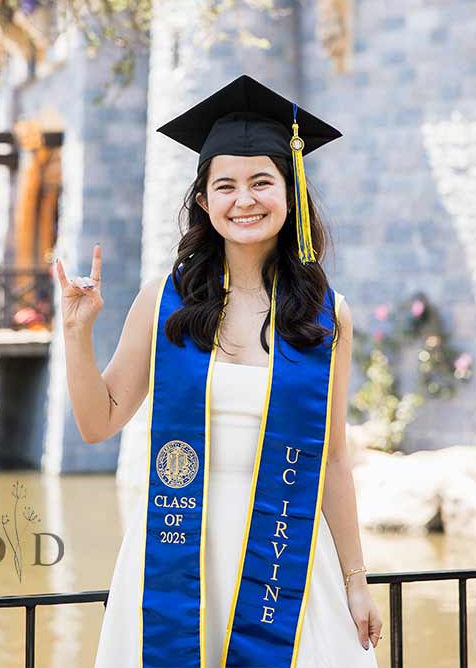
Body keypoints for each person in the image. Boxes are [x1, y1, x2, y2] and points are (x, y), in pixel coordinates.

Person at [56, 76, 381, 667]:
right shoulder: (165, 303)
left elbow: (333, 458)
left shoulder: (326, 318)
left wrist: (357, 578)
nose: (245, 200)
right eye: (225, 185)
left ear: (291, 193)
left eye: (262, 182)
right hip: (176, 551)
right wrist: (77, 333)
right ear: (204, 201)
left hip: (288, 553)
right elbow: (98, 422)